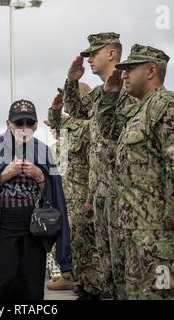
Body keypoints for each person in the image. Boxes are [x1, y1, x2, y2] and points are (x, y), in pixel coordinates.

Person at [98, 44, 174, 299]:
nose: (123, 75)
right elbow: (108, 135)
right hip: (136, 232)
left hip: (160, 234)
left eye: (130, 69)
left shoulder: (167, 104)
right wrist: (110, 96)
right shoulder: (138, 111)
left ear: (151, 71)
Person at [0, 99, 72, 300]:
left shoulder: (43, 151)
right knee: (4, 281)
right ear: (8, 124)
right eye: (19, 123)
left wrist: (40, 177)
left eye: (29, 123)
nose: (24, 129)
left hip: (34, 229)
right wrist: (3, 175)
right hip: (3, 228)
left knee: (32, 285)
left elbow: (56, 195)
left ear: (36, 125)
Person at [63, 32, 137, 299]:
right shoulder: (96, 95)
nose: (90, 59)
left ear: (112, 54)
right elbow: (75, 110)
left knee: (125, 270)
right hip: (102, 193)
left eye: (94, 53)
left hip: (123, 194)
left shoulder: (129, 91)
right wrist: (73, 81)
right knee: (108, 269)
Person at [46, 83, 105, 298]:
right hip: (68, 198)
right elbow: (55, 122)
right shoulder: (73, 126)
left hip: (85, 198)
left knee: (90, 247)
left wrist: (90, 198)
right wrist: (55, 107)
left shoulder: (92, 125)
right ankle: (79, 282)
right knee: (75, 244)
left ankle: (94, 288)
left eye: (73, 98)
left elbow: (96, 166)